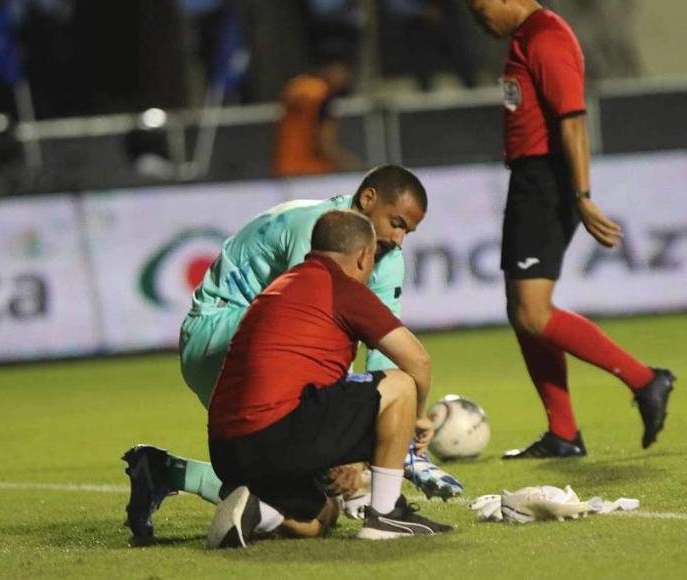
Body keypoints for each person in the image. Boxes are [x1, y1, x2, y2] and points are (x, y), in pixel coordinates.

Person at [121, 165, 462, 541]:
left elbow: (382, 352)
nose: (398, 239)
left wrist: (380, 439)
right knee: (300, 444)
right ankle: (379, 509)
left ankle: (175, 475)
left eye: (407, 231)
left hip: (251, 381)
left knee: (311, 505)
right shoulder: (318, 234)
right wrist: (349, 443)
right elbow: (316, 335)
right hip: (216, 333)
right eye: (395, 223)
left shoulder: (386, 254)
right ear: (367, 200)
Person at [461, 0, 675, 459]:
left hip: (548, 183)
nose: (479, 19)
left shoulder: (546, 36)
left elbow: (573, 121)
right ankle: (563, 432)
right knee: (521, 312)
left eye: (480, 8)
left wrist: (581, 195)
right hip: (529, 181)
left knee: (534, 313)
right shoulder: (525, 37)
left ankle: (645, 380)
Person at [207, 209, 452, 546]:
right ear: (365, 256)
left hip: (226, 449)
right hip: (274, 436)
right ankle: (386, 516)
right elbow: (418, 360)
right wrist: (419, 417)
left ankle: (257, 512)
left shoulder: (282, 286)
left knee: (324, 515)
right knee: (400, 384)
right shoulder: (341, 287)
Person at [271, 41, 361, 178]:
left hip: (285, 169)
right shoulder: (323, 95)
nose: (346, 78)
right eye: (344, 72)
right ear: (332, 68)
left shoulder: (297, 85)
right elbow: (325, 145)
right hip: (312, 173)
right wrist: (354, 165)